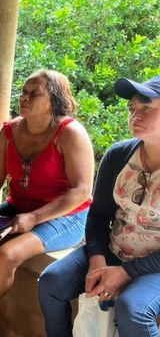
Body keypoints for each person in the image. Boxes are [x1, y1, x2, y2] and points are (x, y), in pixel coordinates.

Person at [0, 70, 94, 337]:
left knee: (8, 255)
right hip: (18, 208)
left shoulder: (70, 133)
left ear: (54, 100)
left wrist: (34, 218)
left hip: (65, 216)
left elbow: (80, 192)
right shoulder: (10, 131)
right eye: (23, 91)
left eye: (35, 94)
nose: (25, 97)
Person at [38, 75, 160, 337]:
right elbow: (98, 215)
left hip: (155, 265)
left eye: (146, 107)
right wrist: (97, 260)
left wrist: (127, 272)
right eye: (132, 109)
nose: (134, 115)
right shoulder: (119, 155)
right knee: (51, 282)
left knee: (134, 309)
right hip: (114, 249)